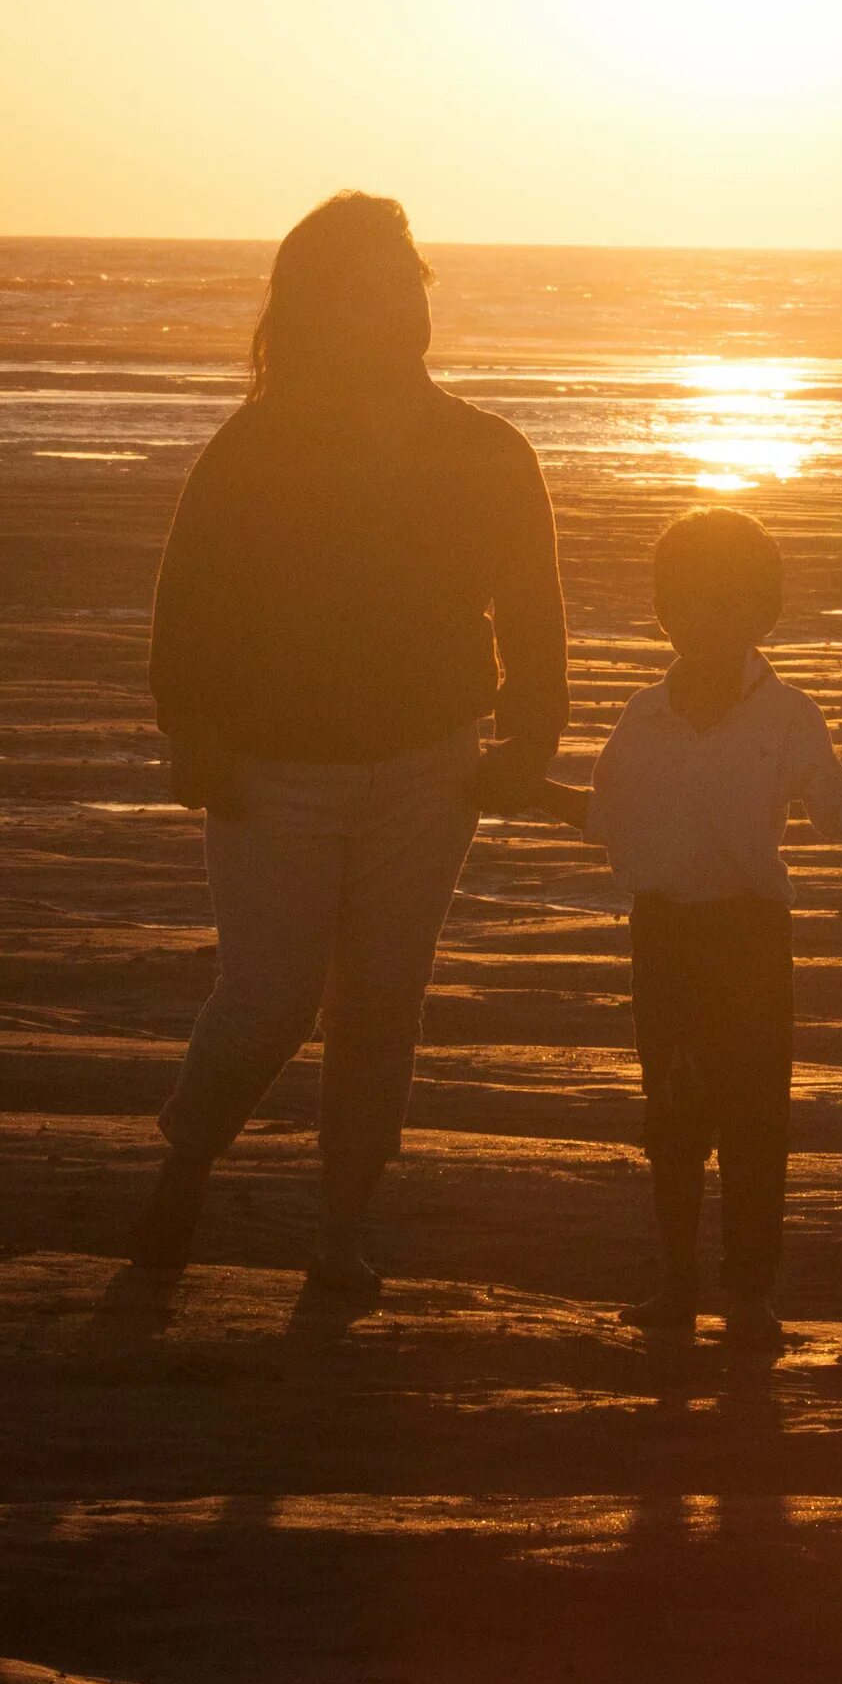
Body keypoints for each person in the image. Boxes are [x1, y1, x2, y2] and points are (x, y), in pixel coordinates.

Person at [129, 192, 568, 1301]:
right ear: (325, 305)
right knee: (269, 995)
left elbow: (532, 609)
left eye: (407, 278)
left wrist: (532, 731)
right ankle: (189, 1149)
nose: (398, 301)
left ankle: (340, 1234)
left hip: (430, 765)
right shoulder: (261, 444)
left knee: (382, 1005)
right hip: (275, 771)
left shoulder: (486, 447)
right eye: (368, 283)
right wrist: (194, 729)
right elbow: (191, 604)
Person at [533, 507, 842, 1351]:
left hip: (750, 937)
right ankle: (674, 1281)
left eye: (731, 605)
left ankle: (749, 1292)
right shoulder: (641, 716)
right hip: (662, 933)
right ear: (665, 611)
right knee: (672, 1110)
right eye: (692, 603)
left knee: (754, 1116)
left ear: (761, 615)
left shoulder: (788, 715)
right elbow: (608, 821)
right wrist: (524, 791)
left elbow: (836, 811)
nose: (709, 621)